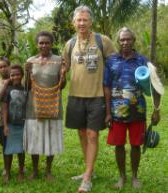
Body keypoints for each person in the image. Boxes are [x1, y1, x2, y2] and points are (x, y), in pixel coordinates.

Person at [62, 5, 116, 192]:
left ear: (91, 21)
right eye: (79, 20)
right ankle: (89, 169)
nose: (82, 23)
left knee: (93, 135)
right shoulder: (69, 44)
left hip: (97, 96)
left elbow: (114, 65)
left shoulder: (103, 41)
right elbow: (64, 68)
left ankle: (87, 177)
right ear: (74, 23)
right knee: (82, 134)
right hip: (76, 95)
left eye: (85, 19)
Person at [103, 27, 161, 189]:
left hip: (138, 111)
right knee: (119, 145)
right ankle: (122, 177)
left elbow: (156, 85)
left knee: (136, 144)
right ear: (118, 42)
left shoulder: (143, 61)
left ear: (134, 41)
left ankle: (135, 176)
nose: (125, 42)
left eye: (128, 39)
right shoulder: (111, 61)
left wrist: (157, 110)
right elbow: (106, 86)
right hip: (116, 112)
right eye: (122, 40)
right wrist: (107, 112)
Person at [24, 31, 66, 181]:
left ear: (51, 44)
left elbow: (62, 86)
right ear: (37, 44)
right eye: (41, 43)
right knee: (35, 138)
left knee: (51, 137)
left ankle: (48, 171)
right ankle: (35, 171)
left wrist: (64, 73)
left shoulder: (59, 61)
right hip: (33, 105)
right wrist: (27, 72)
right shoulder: (31, 61)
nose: (44, 45)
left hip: (52, 105)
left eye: (47, 42)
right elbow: (26, 86)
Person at [2, 65, 26, 183]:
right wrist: (5, 125)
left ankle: (21, 171)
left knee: (21, 149)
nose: (15, 77)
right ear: (9, 77)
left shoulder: (26, 89)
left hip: (22, 124)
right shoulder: (8, 90)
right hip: (11, 124)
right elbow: (5, 108)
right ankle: (7, 171)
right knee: (8, 150)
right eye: (12, 75)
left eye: (18, 74)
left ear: (22, 75)